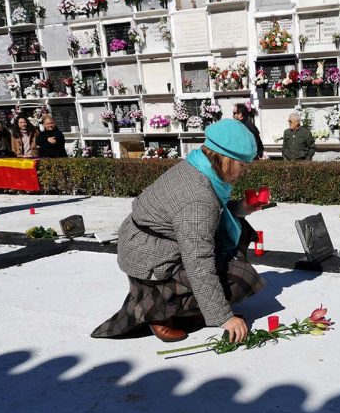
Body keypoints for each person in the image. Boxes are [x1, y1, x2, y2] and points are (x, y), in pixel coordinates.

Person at [91, 119, 266, 343]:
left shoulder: (197, 167)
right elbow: (198, 261)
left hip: (151, 245)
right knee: (242, 278)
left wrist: (241, 208)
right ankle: (159, 313)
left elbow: (211, 213)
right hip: (151, 260)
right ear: (227, 159)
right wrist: (224, 317)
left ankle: (189, 310)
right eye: (243, 165)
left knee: (232, 258)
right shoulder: (197, 197)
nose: (243, 172)